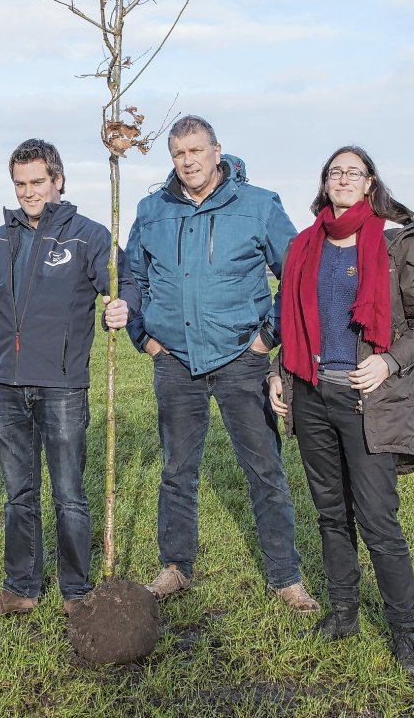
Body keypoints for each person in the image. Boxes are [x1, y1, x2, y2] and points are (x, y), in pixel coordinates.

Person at [267, 146, 414, 676]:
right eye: (335, 172)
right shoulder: (304, 245)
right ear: (324, 183)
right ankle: (344, 612)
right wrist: (278, 372)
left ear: (370, 183)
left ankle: (405, 632)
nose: (343, 179)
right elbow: (293, 319)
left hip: (368, 400)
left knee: (378, 521)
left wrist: (388, 362)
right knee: (330, 514)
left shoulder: (394, 244)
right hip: (311, 395)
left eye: (354, 172)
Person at [125, 115, 319, 612]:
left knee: (265, 469)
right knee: (177, 470)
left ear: (217, 151)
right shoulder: (152, 210)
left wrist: (267, 338)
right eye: (178, 154)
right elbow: (132, 279)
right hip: (175, 360)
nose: (188, 161)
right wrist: (143, 336)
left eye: (196, 151)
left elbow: (298, 274)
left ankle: (285, 576)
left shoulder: (258, 205)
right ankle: (175, 566)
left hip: (241, 359)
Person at [0, 139, 140, 616]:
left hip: (63, 387)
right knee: (18, 495)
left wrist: (123, 305)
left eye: (37, 182)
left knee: (69, 495)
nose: (28, 192)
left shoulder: (89, 236)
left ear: (58, 180)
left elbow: (128, 283)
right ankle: (21, 586)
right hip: (7, 386)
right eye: (20, 184)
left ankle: (76, 591)